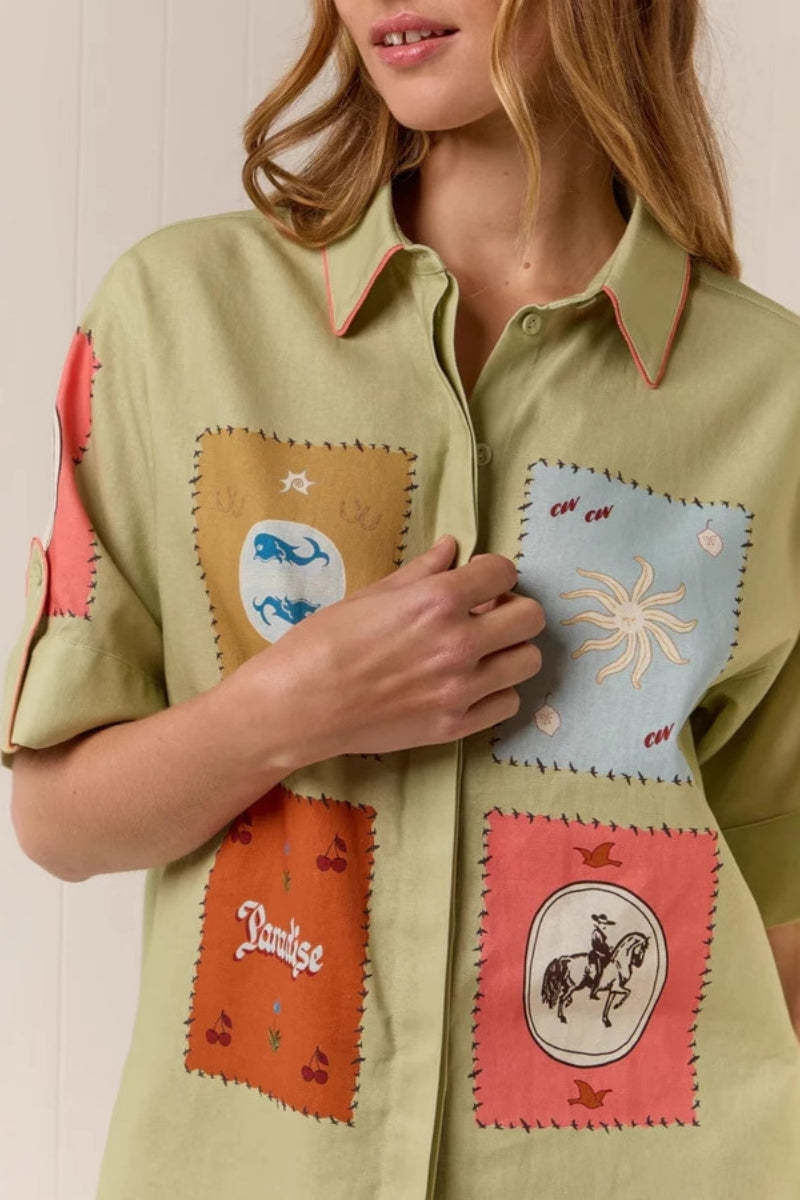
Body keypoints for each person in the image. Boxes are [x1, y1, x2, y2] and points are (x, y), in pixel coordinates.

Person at [3, 1, 800, 1197]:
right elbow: (57, 818)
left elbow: (779, 897)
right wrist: (290, 708)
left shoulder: (770, 396)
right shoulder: (178, 316)